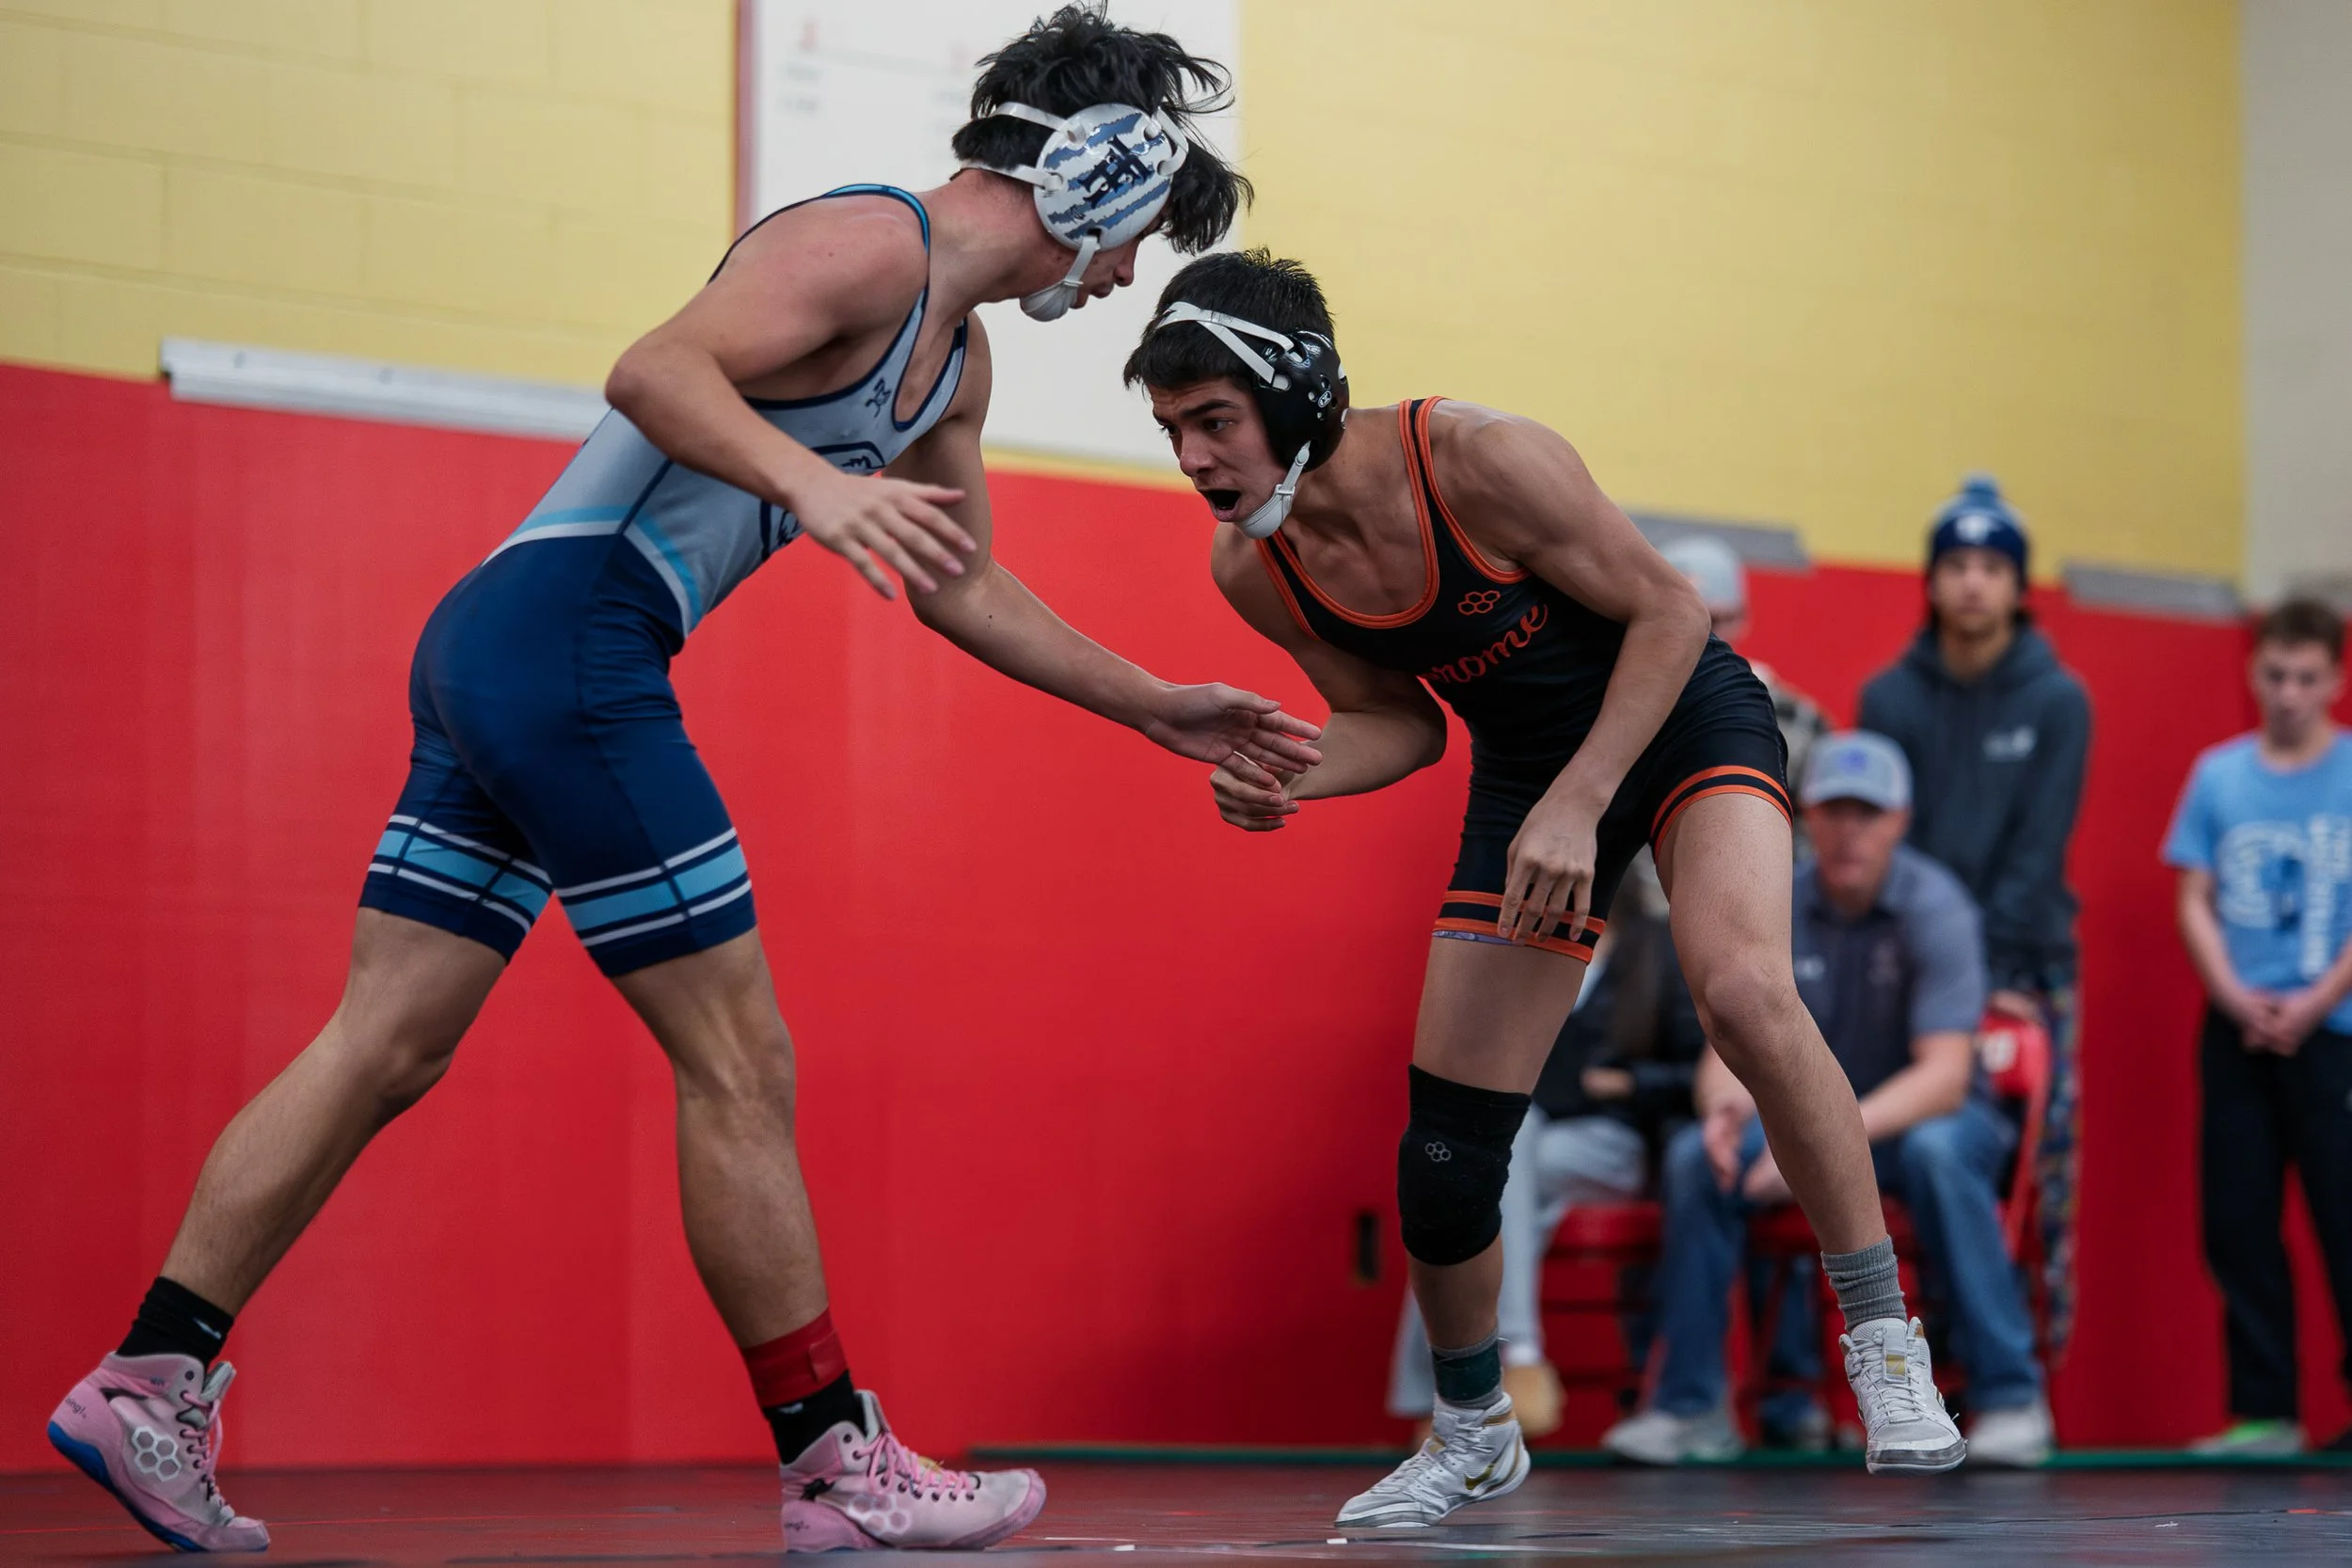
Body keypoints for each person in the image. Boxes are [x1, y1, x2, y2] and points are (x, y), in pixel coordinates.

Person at [44, 9, 1321, 1555]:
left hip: (510, 646)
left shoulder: (957, 362)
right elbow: (654, 368)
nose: (1123, 276)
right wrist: (814, 485)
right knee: (739, 1060)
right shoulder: (872, 243)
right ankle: (835, 1463)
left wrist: (1152, 704)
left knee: (385, 1040)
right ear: (1098, 174)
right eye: (1138, 233)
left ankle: (148, 1375)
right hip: (574, 647)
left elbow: (961, 580)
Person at [1126, 250, 1966, 1528]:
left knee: (1744, 991)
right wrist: (1290, 771)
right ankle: (1472, 1427)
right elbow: (1398, 722)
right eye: (1171, 430)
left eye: (1211, 421)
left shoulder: (1480, 459)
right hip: (1531, 775)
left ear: (1297, 392)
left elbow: (1672, 613)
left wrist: (1584, 797)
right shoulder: (1256, 563)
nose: (1192, 459)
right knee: (1446, 1152)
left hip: (1682, 720)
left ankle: (1883, 1338)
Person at [1602, 732, 2052, 1467]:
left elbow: (1943, 1076)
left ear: (1899, 820)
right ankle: (1689, 1406)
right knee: (1694, 1156)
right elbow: (1729, 1039)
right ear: (1807, 815)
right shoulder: (1779, 895)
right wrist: (1725, 1108)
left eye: (1867, 813)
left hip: (1923, 1123)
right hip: (1813, 1125)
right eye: (1834, 811)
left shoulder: (1937, 905)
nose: (1849, 830)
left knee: (1941, 1153)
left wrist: (1816, 1146)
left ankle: (2010, 1395)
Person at [1857, 475, 2091, 1354]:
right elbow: (1889, 846)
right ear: (1931, 580)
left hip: (2026, 973)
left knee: (2033, 1182)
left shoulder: (2059, 700)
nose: (1972, 582)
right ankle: (1915, 1360)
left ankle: (2024, 1364)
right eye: (1955, 564)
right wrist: (1947, 971)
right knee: (1905, 1156)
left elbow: (2038, 852)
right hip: (1911, 972)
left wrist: (1985, 976)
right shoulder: (1888, 698)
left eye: (1992, 567)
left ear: (2019, 586)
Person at [1384, 899, 1706, 1436]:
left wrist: (1628, 1084)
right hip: (1537, 1135)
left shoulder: (1656, 944)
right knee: (1483, 1186)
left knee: (1477, 1184)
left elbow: (1702, 1069)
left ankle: (1445, 1395)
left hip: (1617, 1143)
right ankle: (1522, 1357)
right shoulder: (1529, 944)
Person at [2162, 597, 2352, 1457]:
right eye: (2276, 674)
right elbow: (2193, 898)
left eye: (2307, 677)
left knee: (2343, 1216)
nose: (2289, 693)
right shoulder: (2219, 775)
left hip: (2335, 1032)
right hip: (2237, 1029)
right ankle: (2267, 1408)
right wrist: (2236, 995)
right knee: (2237, 1219)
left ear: (2336, 679)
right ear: (2254, 671)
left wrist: (2315, 999)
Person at [1658, 535, 1827, 820]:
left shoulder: (1796, 721)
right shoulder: (1618, 710)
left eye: (1716, 619)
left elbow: (1813, 832)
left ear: (1742, 618)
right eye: (1683, 619)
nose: (1704, 635)